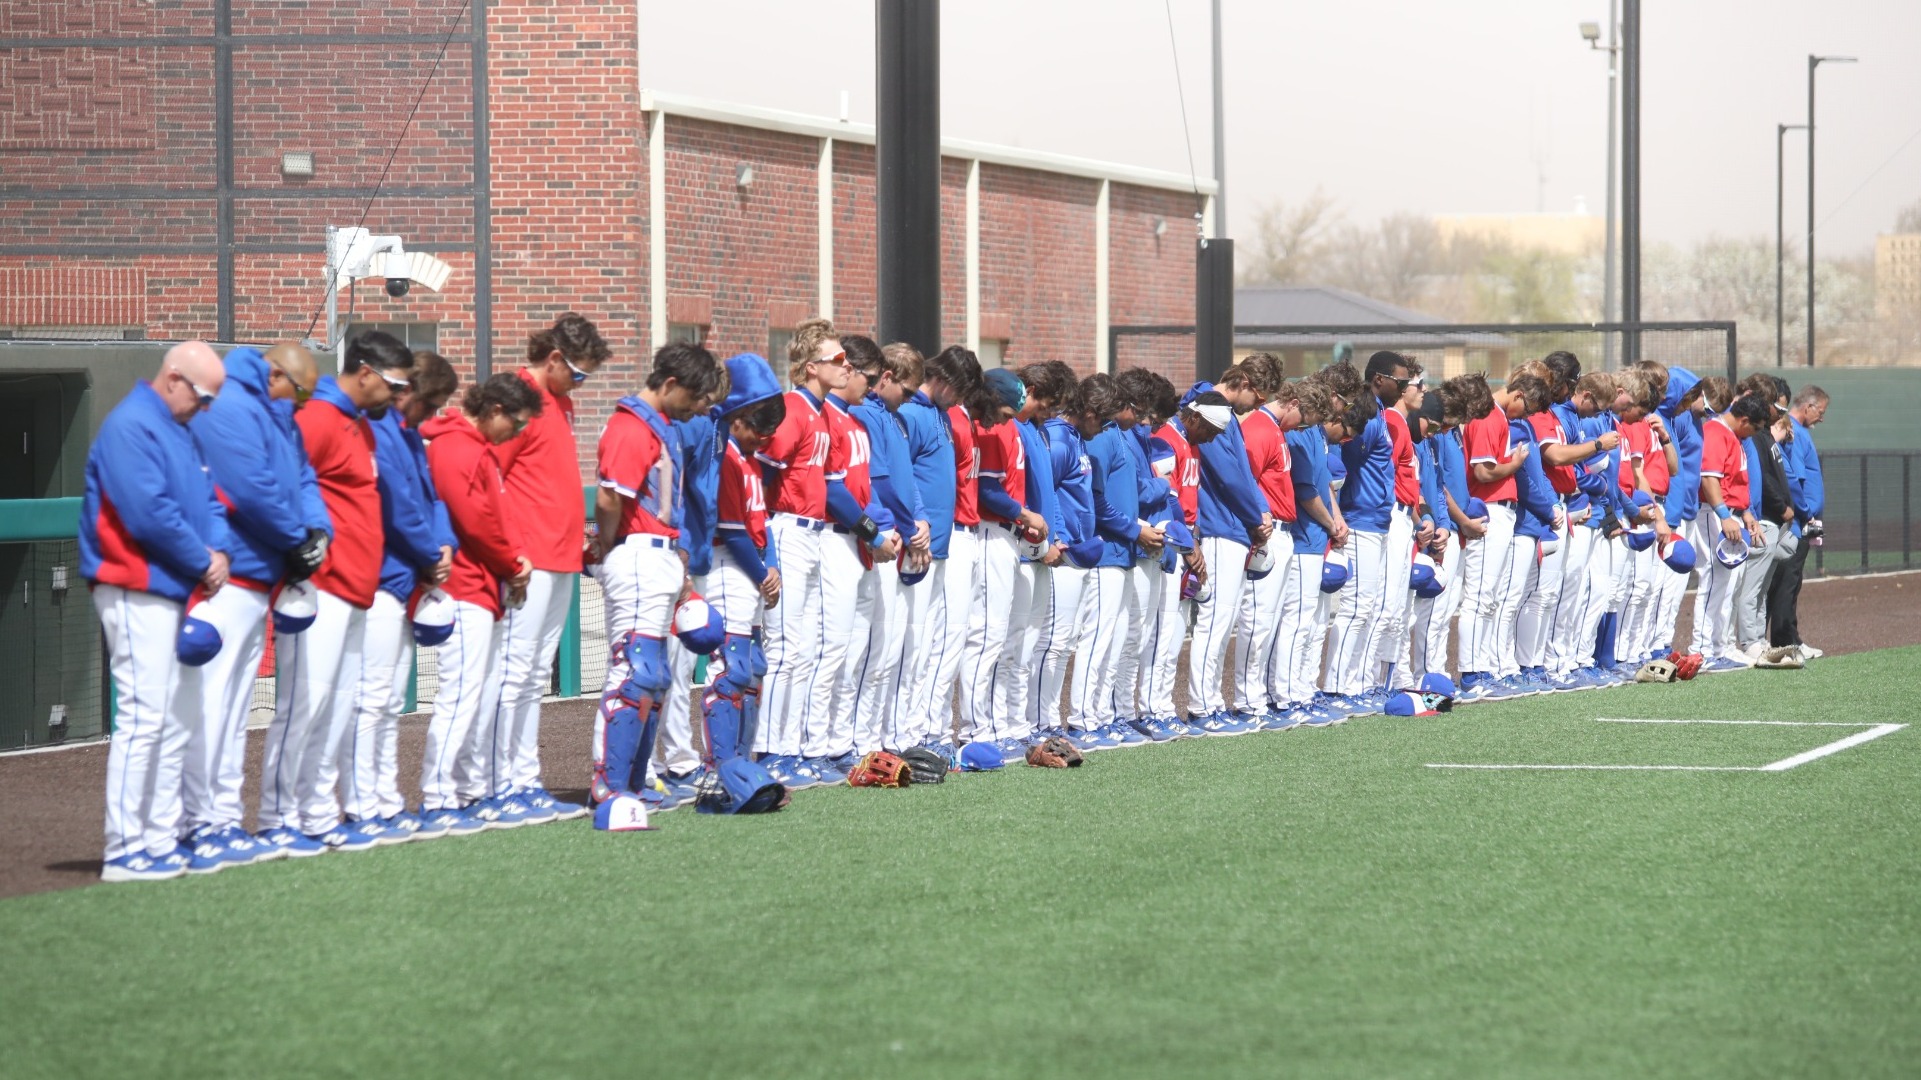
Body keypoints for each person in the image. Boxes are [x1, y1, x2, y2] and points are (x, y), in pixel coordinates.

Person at [81, 341, 232, 882]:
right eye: (204, 395)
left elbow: (210, 502)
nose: (207, 407)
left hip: (170, 586)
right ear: (174, 378)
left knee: (172, 720)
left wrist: (217, 553)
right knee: (144, 718)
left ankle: (159, 839)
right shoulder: (131, 425)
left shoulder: (182, 430)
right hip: (132, 583)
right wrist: (202, 559)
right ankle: (124, 849)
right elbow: (149, 515)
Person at [175, 342, 329, 871]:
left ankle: (221, 819)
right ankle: (197, 824)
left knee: (234, 710)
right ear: (280, 377)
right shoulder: (232, 404)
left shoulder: (277, 414)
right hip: (225, 577)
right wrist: (294, 537)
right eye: (302, 392)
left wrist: (316, 532)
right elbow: (248, 487)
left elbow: (304, 479)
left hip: (259, 578)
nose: (304, 405)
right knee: (210, 708)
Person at [257, 331, 411, 852]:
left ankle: (319, 812)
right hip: (318, 588)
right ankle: (278, 817)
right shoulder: (319, 417)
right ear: (365, 372)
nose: (397, 395)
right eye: (393, 383)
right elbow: (285, 486)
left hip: (357, 590)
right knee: (303, 707)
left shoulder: (359, 426)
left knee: (336, 708)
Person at [591, 341, 726, 804]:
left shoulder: (663, 424)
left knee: (654, 677)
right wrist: (609, 548)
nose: (699, 406)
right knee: (633, 671)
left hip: (663, 554)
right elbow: (610, 499)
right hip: (635, 553)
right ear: (670, 384)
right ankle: (609, 784)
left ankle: (633, 781)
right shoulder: (631, 426)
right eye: (694, 395)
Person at [491, 313, 608, 816]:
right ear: (554, 358)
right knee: (514, 671)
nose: (580, 383)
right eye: (577, 373)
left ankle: (522, 779)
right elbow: (491, 476)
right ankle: (503, 783)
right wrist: (507, 549)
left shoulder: (560, 402)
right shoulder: (516, 398)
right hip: (526, 559)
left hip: (560, 556)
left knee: (533, 671)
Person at [349, 349, 467, 843]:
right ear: (410, 392)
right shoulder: (379, 430)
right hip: (378, 579)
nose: (432, 414)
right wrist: (428, 550)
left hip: (404, 580)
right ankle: (362, 804)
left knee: (390, 699)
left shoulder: (409, 436)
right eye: (430, 403)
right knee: (371, 700)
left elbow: (433, 498)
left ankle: (386, 800)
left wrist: (444, 543)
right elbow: (394, 505)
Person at [418, 374, 538, 833]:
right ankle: (437, 795)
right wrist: (511, 562)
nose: (518, 433)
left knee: (477, 695)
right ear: (495, 411)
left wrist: (512, 561)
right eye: (517, 423)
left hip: (483, 588)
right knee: (460, 697)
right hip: (462, 587)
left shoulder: (473, 447)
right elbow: (474, 521)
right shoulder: (456, 446)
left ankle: (464, 790)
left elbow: (495, 518)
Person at [754, 319, 845, 786]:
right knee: (786, 647)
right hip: (786, 529)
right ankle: (770, 750)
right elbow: (763, 478)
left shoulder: (823, 411)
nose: (844, 365)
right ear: (811, 367)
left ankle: (790, 748)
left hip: (812, 534)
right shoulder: (793, 409)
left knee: (804, 648)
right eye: (836, 359)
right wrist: (766, 544)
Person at [892, 346, 987, 758]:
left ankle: (924, 729)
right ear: (946, 380)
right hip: (918, 545)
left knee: (934, 642)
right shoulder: (914, 412)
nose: (962, 399)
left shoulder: (939, 414)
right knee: (915, 644)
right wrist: (913, 527)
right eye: (960, 389)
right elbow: (900, 475)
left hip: (940, 545)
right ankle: (918, 731)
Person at [816, 335, 902, 779]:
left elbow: (867, 490)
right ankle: (821, 745)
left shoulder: (857, 422)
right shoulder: (826, 418)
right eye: (860, 375)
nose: (865, 385)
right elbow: (834, 492)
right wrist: (874, 532)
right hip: (832, 538)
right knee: (832, 649)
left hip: (861, 541)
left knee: (863, 649)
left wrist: (887, 529)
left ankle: (847, 742)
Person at [700, 354, 787, 768]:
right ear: (738, 415)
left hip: (751, 567)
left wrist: (772, 568)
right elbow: (732, 529)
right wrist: (762, 573)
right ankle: (721, 764)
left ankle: (741, 761)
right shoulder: (725, 453)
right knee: (731, 668)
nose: (762, 438)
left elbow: (760, 523)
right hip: (726, 562)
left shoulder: (747, 458)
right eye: (757, 427)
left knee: (752, 668)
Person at [1323, 352, 1415, 714]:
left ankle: (1357, 684)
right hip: (1359, 520)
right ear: (1379, 379)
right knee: (1358, 608)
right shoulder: (1369, 418)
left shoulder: (1375, 415)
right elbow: (1342, 464)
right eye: (1401, 381)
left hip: (1375, 521)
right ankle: (1338, 688)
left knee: (1370, 608)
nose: (1406, 388)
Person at [1183, 366, 1274, 731]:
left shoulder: (1220, 408)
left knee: (1222, 622)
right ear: (1246, 384)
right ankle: (1202, 707)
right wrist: (1255, 516)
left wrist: (1256, 513)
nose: (1258, 405)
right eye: (1260, 397)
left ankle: (1212, 703)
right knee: (1214, 621)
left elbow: (1241, 473)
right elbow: (1229, 473)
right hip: (1221, 524)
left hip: (1232, 524)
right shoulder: (1209, 407)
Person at [962, 368, 1037, 761]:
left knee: (997, 634)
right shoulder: (989, 428)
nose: (1010, 418)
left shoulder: (1006, 428)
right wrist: (1025, 515)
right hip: (991, 532)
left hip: (1005, 534)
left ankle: (987, 725)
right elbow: (988, 490)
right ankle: (978, 728)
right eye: (1007, 410)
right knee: (985, 634)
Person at [1451, 370, 1533, 702]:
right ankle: (1470, 676)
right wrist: (1514, 464)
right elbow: (1483, 471)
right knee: (1478, 597)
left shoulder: (1494, 415)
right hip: (1487, 510)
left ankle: (1479, 670)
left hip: (1497, 510)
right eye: (1527, 406)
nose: (1526, 415)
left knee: (1488, 598)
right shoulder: (1487, 416)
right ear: (1518, 394)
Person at [1690, 394, 1770, 670]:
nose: (1756, 433)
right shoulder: (1716, 431)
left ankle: (1719, 646)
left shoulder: (1733, 436)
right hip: (1713, 513)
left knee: (1729, 585)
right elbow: (1709, 477)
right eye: (1756, 427)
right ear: (1745, 420)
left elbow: (1735, 481)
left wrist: (1745, 513)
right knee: (1713, 580)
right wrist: (1725, 515)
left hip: (1729, 513)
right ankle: (1701, 651)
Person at [1767, 385, 1828, 658]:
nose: (1822, 418)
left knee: (1791, 582)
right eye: (1821, 412)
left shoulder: (1796, 431)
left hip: (1800, 520)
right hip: (1796, 522)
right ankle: (1785, 641)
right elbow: (1793, 478)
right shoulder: (1794, 432)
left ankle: (1789, 638)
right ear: (1808, 407)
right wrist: (1805, 513)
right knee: (1786, 582)